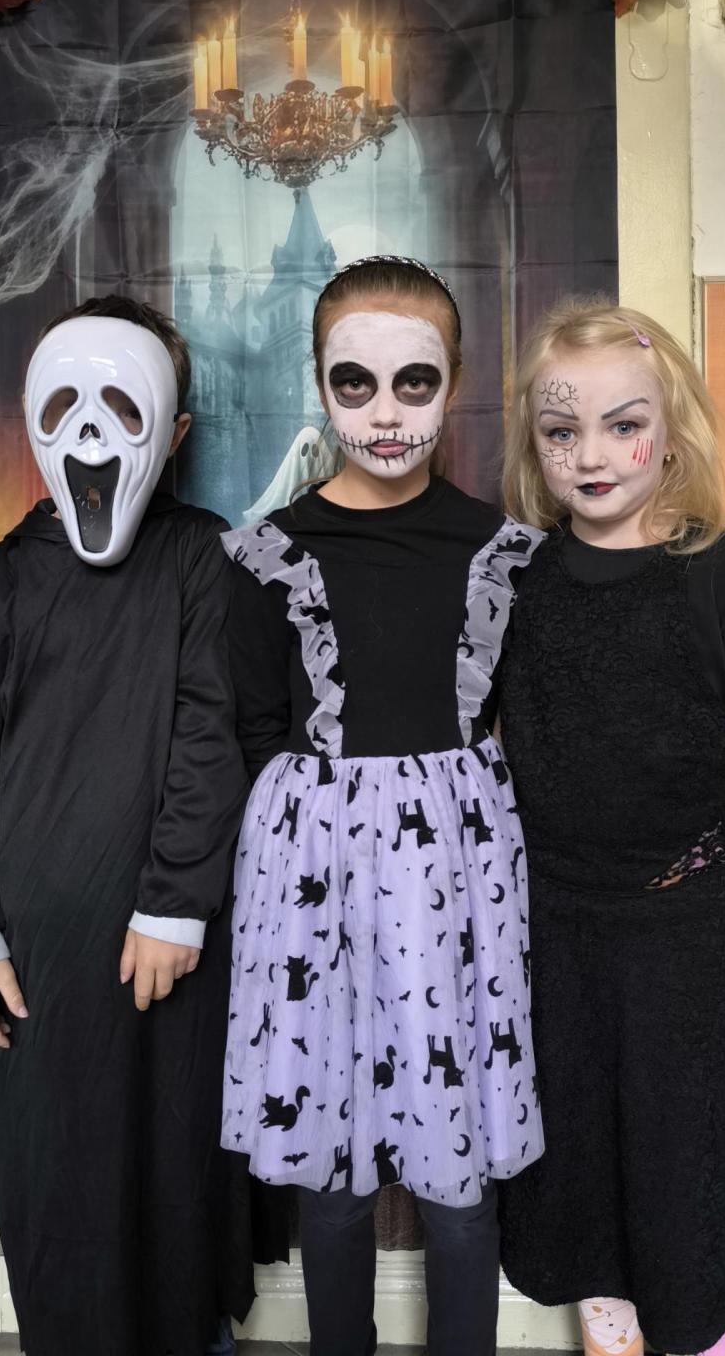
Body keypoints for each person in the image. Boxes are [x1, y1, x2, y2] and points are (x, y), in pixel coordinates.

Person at [0, 296, 258, 1356]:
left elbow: (213, 728)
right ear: (33, 418)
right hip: (37, 949)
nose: (94, 433)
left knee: (173, 1161)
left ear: (175, 430)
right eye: (67, 404)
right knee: (52, 1167)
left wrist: (175, 900)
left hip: (174, 940)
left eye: (124, 404)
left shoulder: (204, 560)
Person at [221, 256, 544, 1356]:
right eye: (354, 383)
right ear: (319, 382)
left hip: (457, 881)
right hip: (313, 881)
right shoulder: (267, 556)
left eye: (416, 381)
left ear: (455, 381)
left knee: (461, 1184)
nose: (386, 412)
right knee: (330, 1177)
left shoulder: (502, 552)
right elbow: (255, 727)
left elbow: (519, 721)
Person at [497, 301, 725, 1356]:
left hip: (690, 934)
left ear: (672, 430)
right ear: (535, 441)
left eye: (622, 425)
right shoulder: (517, 580)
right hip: (557, 936)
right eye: (562, 431)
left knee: (693, 1187)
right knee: (586, 1186)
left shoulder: (724, 571)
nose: (591, 455)